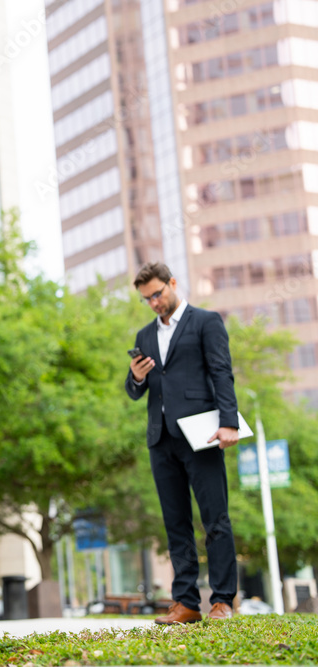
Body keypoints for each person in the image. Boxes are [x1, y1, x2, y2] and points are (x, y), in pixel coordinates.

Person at [125, 262, 238, 624]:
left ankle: (222, 601)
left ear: (172, 283)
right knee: (176, 524)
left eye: (157, 294)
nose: (154, 302)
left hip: (201, 435)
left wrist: (229, 423)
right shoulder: (144, 335)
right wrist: (136, 379)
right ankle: (186, 603)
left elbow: (221, 371)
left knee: (215, 519)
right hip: (161, 439)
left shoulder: (206, 322)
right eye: (147, 299)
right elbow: (135, 391)